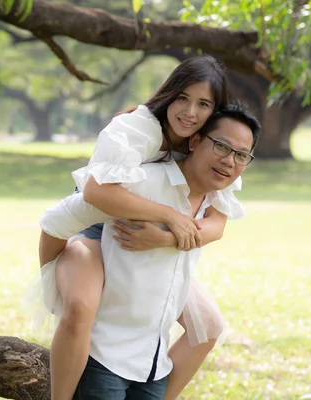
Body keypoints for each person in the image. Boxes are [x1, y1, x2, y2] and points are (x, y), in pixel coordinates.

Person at [38, 55, 240, 400]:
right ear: (169, 94)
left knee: (207, 328)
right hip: (94, 229)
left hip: (153, 240)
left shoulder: (215, 146)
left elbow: (217, 223)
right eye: (182, 98)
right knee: (81, 308)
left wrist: (167, 237)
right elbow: (95, 192)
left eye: (203, 104)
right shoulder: (137, 127)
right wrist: (172, 217)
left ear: (215, 110)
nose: (190, 112)